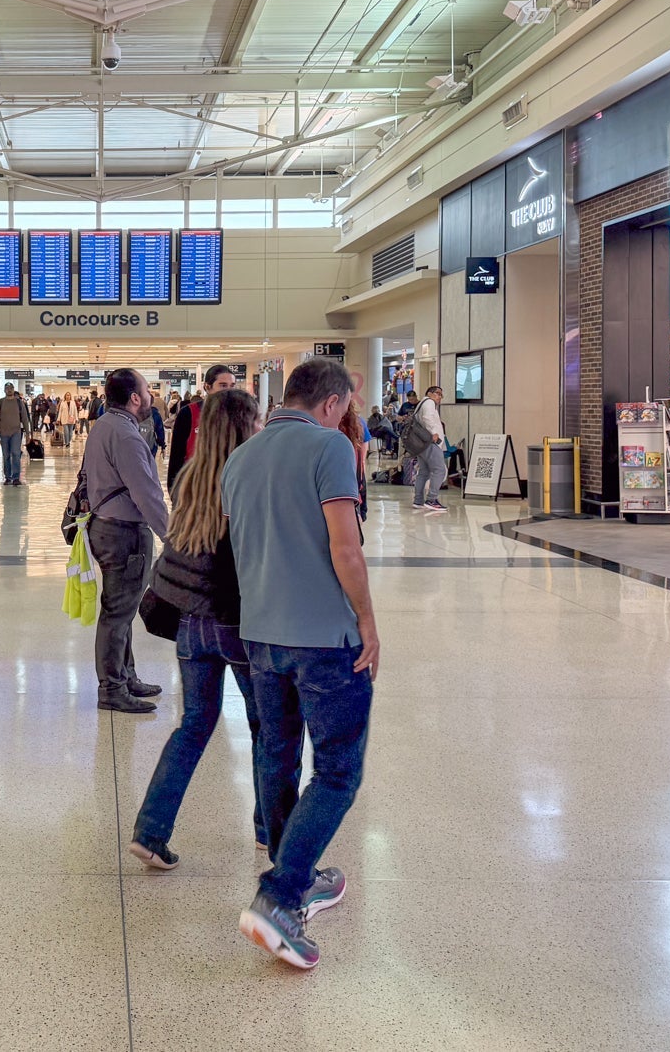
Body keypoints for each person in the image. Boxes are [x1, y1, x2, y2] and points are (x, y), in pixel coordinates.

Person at [222, 357, 381, 970]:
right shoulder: (329, 447)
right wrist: (367, 621)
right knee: (338, 772)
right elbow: (346, 547)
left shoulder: (241, 457)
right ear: (331, 403)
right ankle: (281, 895)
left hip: (261, 635)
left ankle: (296, 870)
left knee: (277, 753)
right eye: (344, 408)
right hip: (324, 639)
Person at [128, 388, 269, 870]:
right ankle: (269, 830)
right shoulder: (250, 477)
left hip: (192, 622)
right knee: (266, 725)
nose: (262, 428)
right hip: (237, 621)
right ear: (245, 427)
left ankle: (150, 832)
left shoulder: (191, 476)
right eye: (257, 421)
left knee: (193, 725)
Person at [81, 368, 170, 714]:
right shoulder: (127, 436)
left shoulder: (104, 425)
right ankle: (112, 689)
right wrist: (172, 538)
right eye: (147, 390)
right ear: (135, 398)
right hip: (125, 534)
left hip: (105, 527)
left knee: (121, 609)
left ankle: (126, 675)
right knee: (117, 615)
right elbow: (146, 494)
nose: (150, 396)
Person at [167, 364, 237, 491]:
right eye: (223, 385)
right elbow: (176, 457)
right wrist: (175, 491)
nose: (229, 391)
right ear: (207, 387)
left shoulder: (240, 415)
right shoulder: (188, 414)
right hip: (195, 487)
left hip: (229, 487)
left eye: (232, 386)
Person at [408, 385, 448, 513]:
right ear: (429, 393)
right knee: (440, 470)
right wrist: (434, 433)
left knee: (424, 472)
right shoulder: (429, 402)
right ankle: (432, 499)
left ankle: (418, 500)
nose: (440, 397)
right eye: (437, 393)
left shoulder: (421, 404)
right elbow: (427, 418)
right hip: (430, 443)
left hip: (422, 445)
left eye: (441, 394)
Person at [0, 383, 30, 486]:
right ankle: (8, 477)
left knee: (16, 454)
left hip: (16, 432)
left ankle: (16, 477)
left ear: (13, 389)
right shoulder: (0, 403)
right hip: (4, 433)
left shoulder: (19, 403)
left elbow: (25, 418)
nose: (9, 390)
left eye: (11, 388)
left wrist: (27, 433)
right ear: (4, 390)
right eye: (7, 388)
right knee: (6, 455)